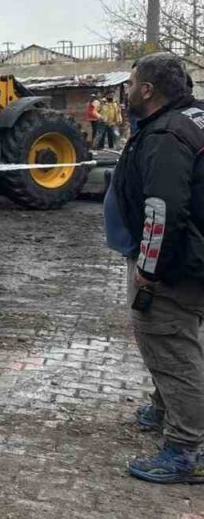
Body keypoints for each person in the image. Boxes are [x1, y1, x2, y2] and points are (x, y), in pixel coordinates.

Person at [104, 52, 204, 483]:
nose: (125, 92)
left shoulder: (166, 135)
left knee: (169, 343)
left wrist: (149, 267)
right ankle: (165, 406)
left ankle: (186, 450)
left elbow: (162, 208)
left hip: (175, 266)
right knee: (176, 342)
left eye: (130, 84)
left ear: (147, 89)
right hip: (191, 258)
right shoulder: (192, 119)